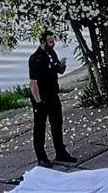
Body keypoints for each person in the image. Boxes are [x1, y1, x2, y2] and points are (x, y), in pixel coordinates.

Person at [29, 30, 76, 167]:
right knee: (40, 127)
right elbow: (33, 83)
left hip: (53, 94)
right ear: (43, 42)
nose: (53, 43)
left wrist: (62, 66)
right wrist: (38, 102)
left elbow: (58, 70)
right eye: (50, 41)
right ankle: (41, 157)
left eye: (53, 41)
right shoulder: (35, 59)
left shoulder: (52, 53)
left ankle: (60, 152)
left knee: (57, 123)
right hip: (41, 97)